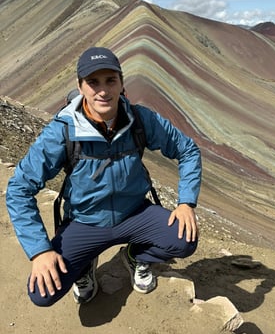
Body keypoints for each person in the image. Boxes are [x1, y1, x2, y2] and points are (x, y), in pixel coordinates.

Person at [6, 47, 201, 306]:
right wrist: (40, 251)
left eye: (111, 80)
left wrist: (186, 202)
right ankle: (84, 264)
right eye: (93, 82)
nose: (103, 90)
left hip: (135, 213)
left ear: (121, 84)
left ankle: (136, 256)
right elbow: (19, 188)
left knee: (184, 239)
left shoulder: (140, 119)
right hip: (84, 221)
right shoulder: (62, 132)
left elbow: (187, 150)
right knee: (42, 294)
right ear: (80, 86)